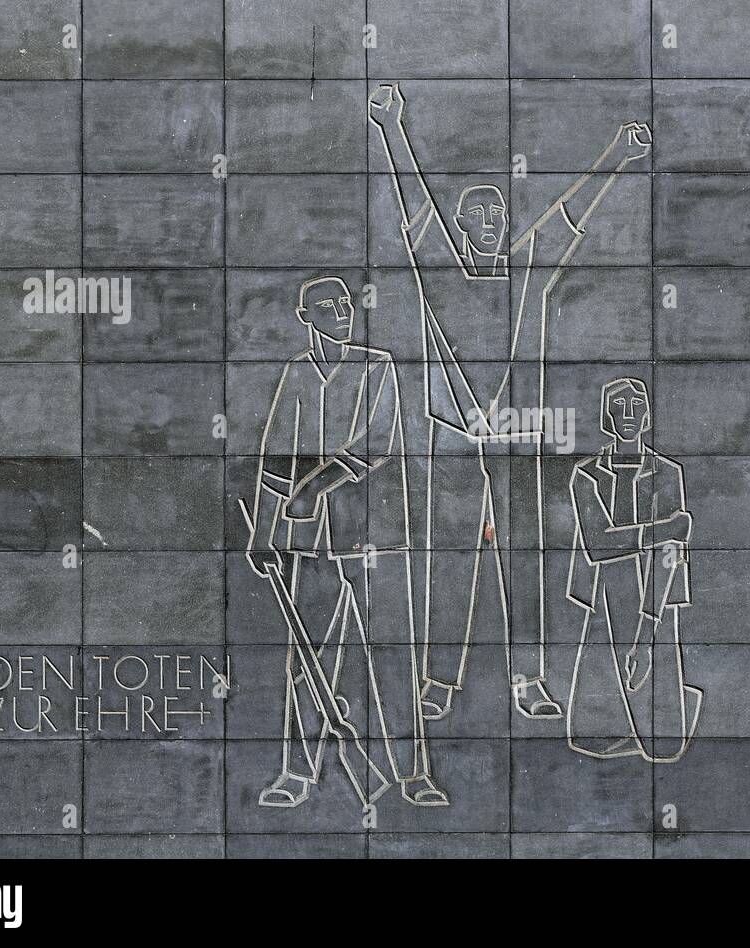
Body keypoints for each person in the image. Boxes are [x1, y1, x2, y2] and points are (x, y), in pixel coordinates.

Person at [368, 81, 652, 720]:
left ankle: (528, 681)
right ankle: (439, 681)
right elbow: (415, 207)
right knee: (450, 558)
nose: (492, 225)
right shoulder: (441, 269)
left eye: (499, 215)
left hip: (517, 436)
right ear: (463, 227)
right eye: (479, 216)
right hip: (455, 437)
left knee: (523, 557)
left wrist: (619, 155)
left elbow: (567, 218)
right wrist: (391, 127)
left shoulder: (527, 274)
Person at [245, 275, 448, 808]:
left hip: (375, 536)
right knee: (305, 657)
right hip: (309, 543)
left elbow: (378, 443)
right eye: (327, 306)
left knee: (392, 658)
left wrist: (313, 486)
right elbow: (273, 462)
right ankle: (297, 772)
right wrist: (263, 534)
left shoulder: (377, 365)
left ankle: (412, 774)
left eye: (345, 303)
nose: (341, 311)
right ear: (304, 316)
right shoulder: (296, 372)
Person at [565, 378, 702, 763]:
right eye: (619, 405)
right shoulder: (587, 474)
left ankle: (674, 698)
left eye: (636, 405)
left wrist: (647, 629)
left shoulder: (666, 473)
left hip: (655, 595)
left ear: (646, 415)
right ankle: (634, 718)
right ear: (606, 415)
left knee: (667, 747)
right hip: (605, 593)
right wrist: (667, 528)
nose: (628, 414)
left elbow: (670, 554)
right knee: (589, 737)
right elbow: (598, 543)